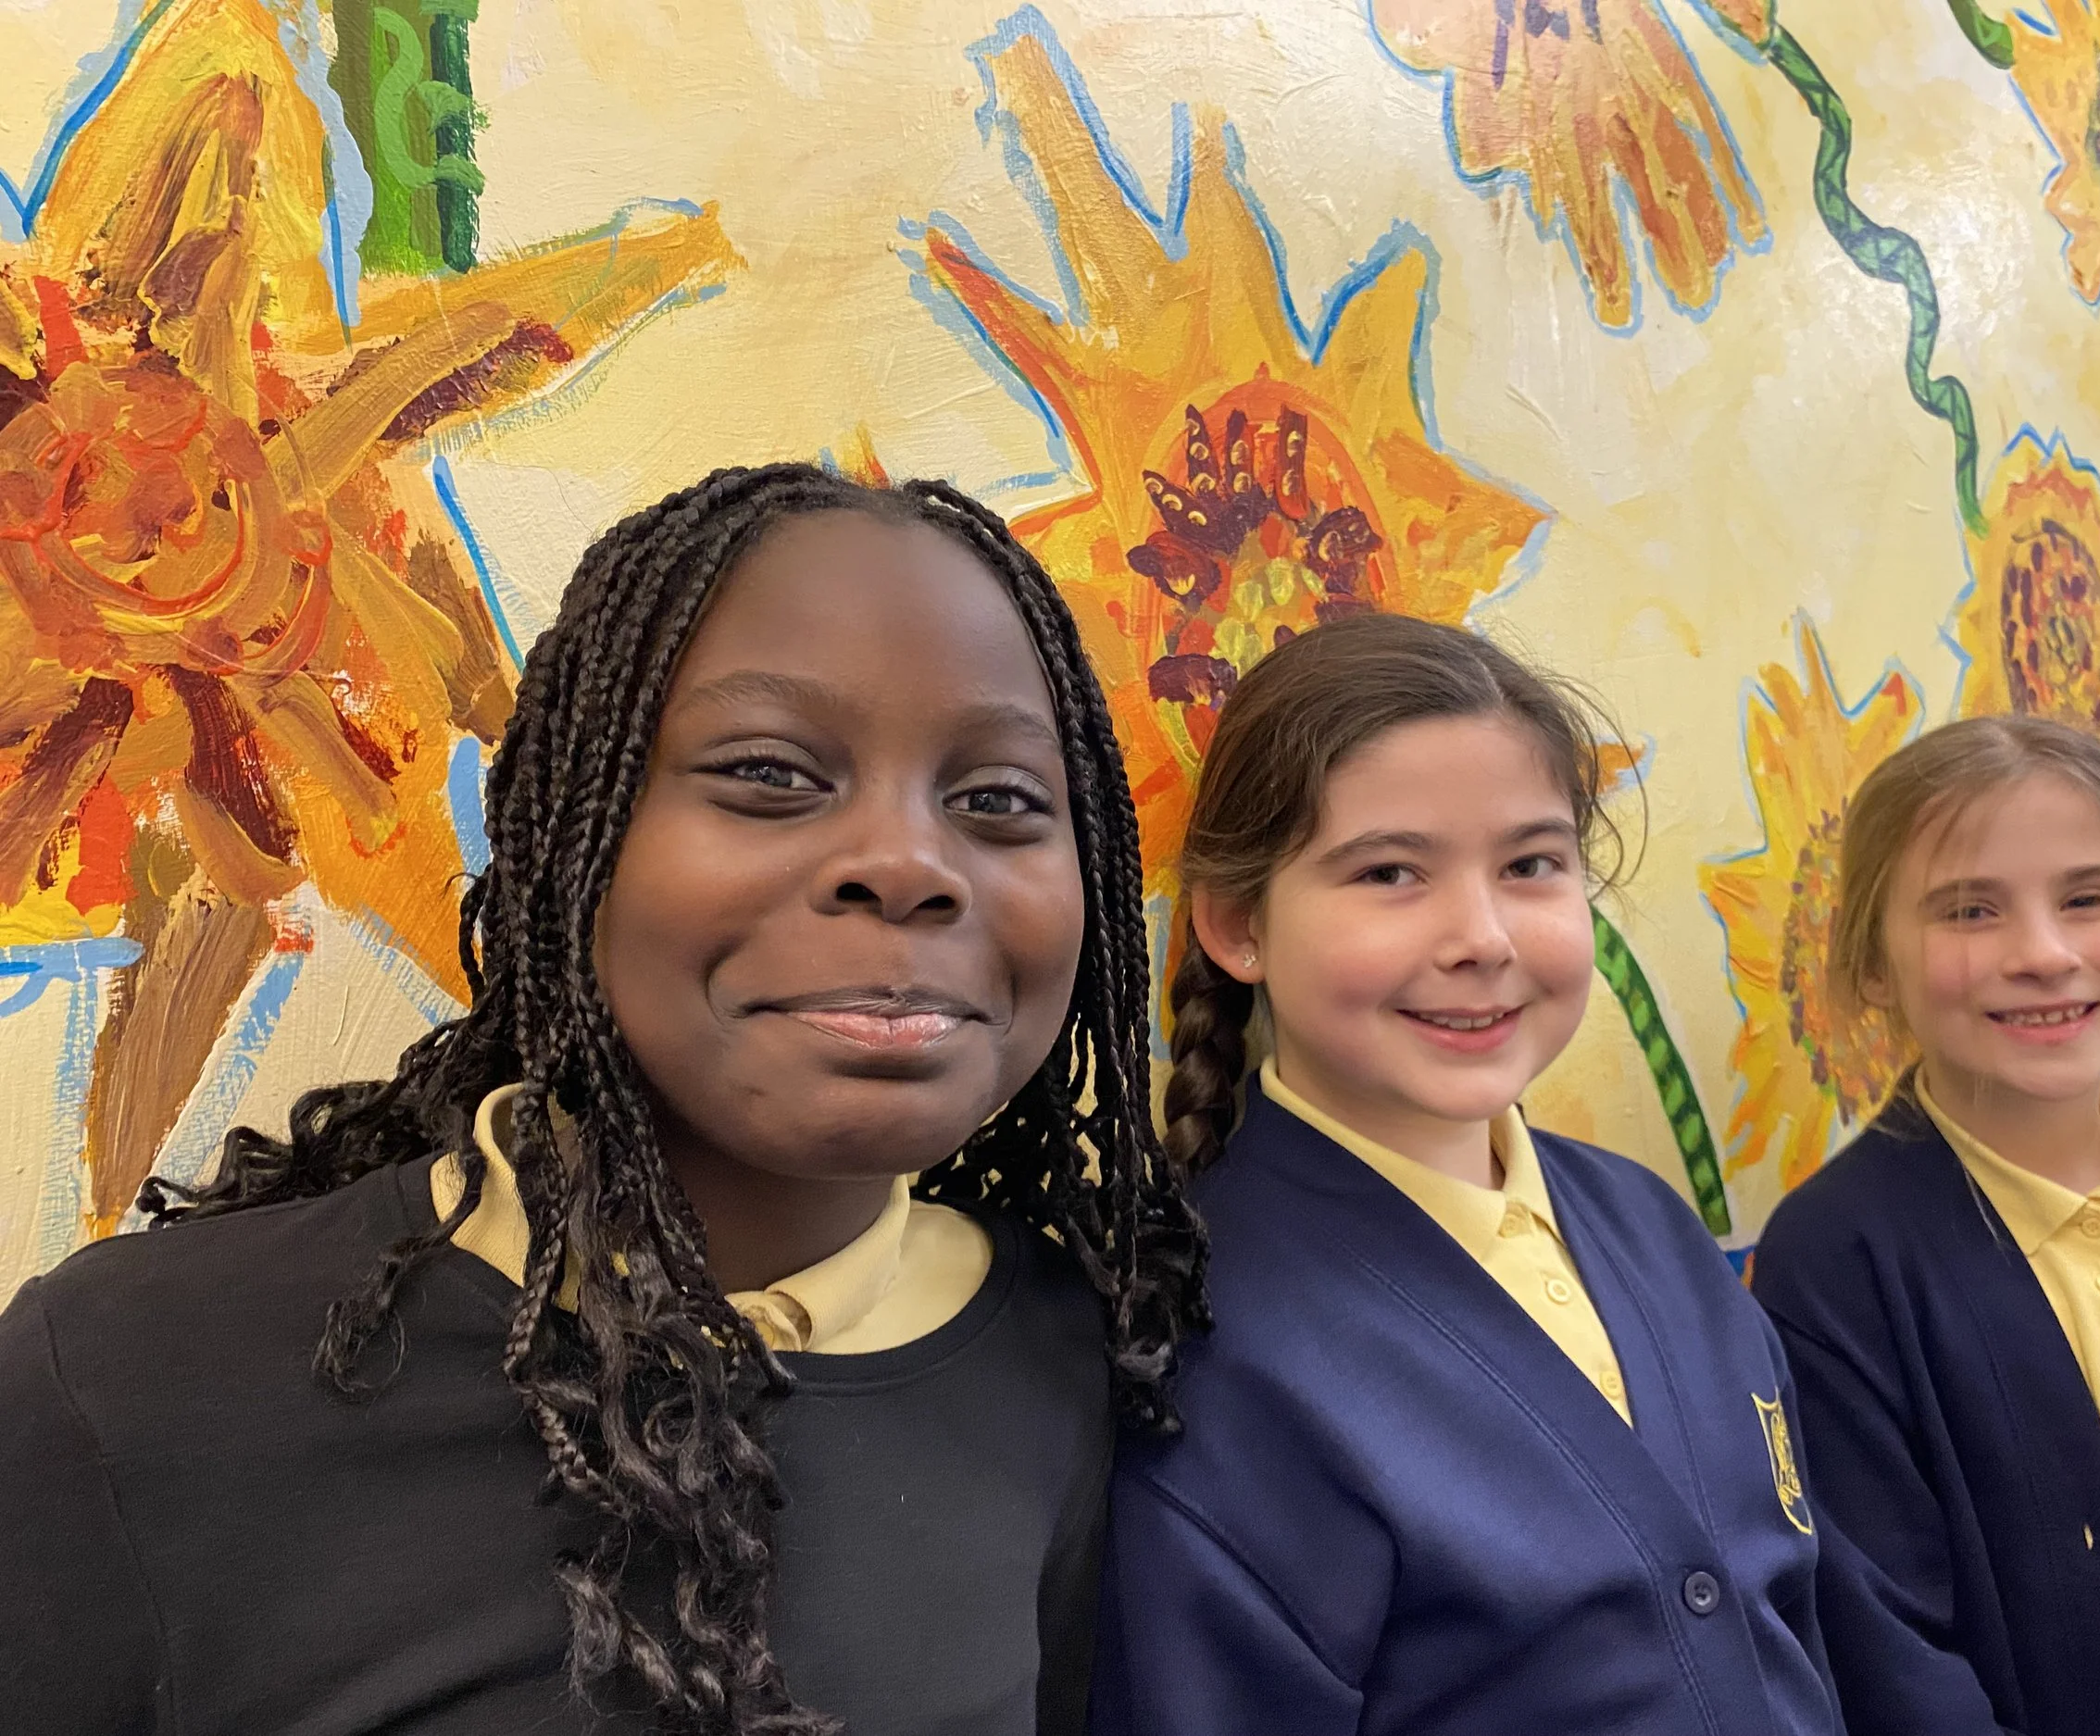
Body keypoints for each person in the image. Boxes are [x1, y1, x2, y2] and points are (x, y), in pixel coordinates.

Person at [0, 465, 1206, 1736]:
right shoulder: (128, 1385)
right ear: (571, 834)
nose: (908, 864)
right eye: (770, 772)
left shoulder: (1058, 1359)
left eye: (1000, 799)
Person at [1091, 612, 1846, 1735]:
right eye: (1390, 872)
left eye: (1530, 865)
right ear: (1238, 925)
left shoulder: (1651, 1225)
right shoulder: (1207, 1346)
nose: (1481, 937)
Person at [1751, 715, 2100, 1736]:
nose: (2044, 954)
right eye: (1970, 910)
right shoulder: (1837, 1266)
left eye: (2088, 898)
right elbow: (1892, 1654)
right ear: (1874, 964)